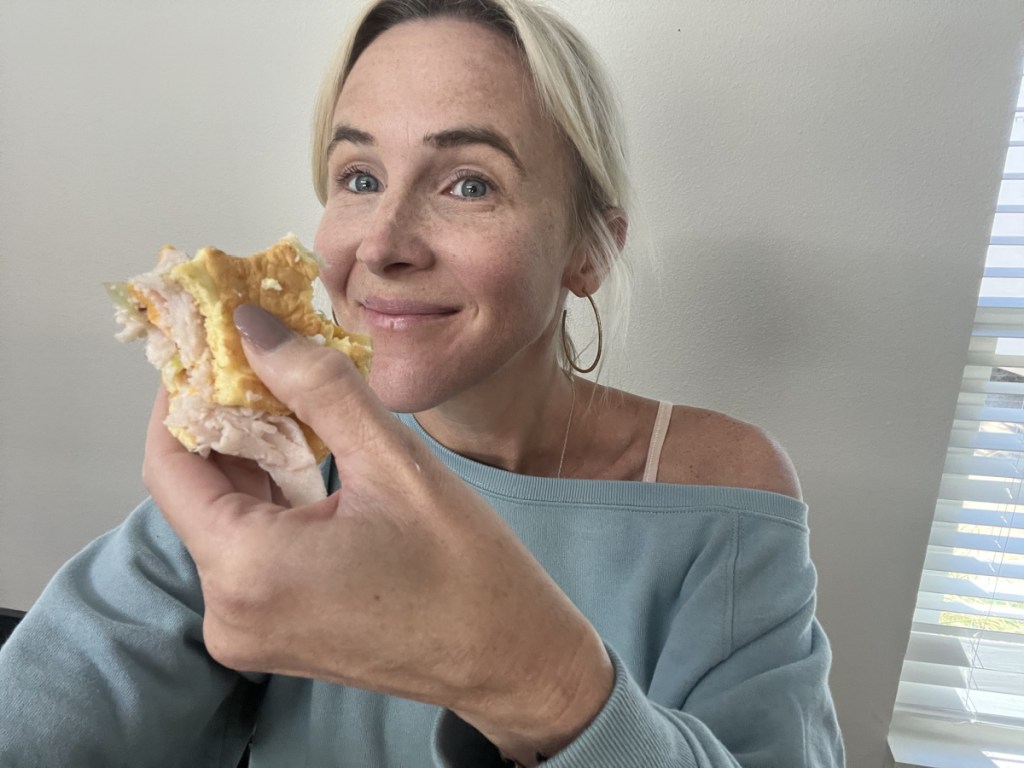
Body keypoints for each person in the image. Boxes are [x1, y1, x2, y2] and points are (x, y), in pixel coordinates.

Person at [0, 0, 845, 766]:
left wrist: (538, 681)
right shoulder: (282, 456)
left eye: (468, 183)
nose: (381, 245)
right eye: (359, 179)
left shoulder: (721, 489)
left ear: (588, 251)